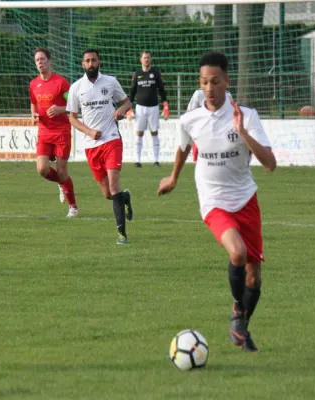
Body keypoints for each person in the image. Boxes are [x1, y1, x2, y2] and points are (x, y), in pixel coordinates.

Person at [157, 51, 277, 352]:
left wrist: (242, 132)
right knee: (237, 253)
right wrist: (173, 178)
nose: (209, 88)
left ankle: (241, 328)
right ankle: (238, 311)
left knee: (254, 275)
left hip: (245, 198)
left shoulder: (246, 116)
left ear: (226, 81)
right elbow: (183, 147)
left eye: (215, 81)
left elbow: (270, 163)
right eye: (204, 82)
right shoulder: (190, 119)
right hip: (212, 200)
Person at [66, 49, 134, 245]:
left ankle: (122, 235)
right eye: (87, 61)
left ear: (99, 62)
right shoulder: (76, 88)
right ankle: (125, 197)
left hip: (112, 139)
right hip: (91, 145)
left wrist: (121, 110)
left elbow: (127, 101)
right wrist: (88, 132)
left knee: (114, 184)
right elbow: (71, 117)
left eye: (93, 60)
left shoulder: (111, 82)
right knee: (108, 194)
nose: (90, 64)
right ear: (82, 64)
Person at [29, 47, 78, 217]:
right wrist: (33, 115)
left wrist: (60, 109)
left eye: (42, 59)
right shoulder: (34, 84)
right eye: (37, 60)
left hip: (61, 131)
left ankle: (73, 207)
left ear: (49, 61)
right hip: (44, 131)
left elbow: (73, 107)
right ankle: (60, 183)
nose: (40, 63)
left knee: (62, 172)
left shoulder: (61, 83)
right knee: (42, 169)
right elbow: (33, 103)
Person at [128, 50, 169, 168]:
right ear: (141, 60)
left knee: (154, 133)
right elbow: (132, 91)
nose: (146, 60)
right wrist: (129, 108)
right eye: (144, 58)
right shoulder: (137, 74)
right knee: (139, 133)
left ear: (150, 59)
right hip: (140, 107)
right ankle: (137, 161)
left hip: (154, 107)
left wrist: (165, 107)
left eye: (148, 57)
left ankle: (156, 160)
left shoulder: (155, 73)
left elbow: (162, 90)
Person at [186, 88, 232, 162]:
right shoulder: (199, 93)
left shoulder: (226, 94)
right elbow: (190, 112)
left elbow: (231, 113)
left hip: (220, 131)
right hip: (202, 131)